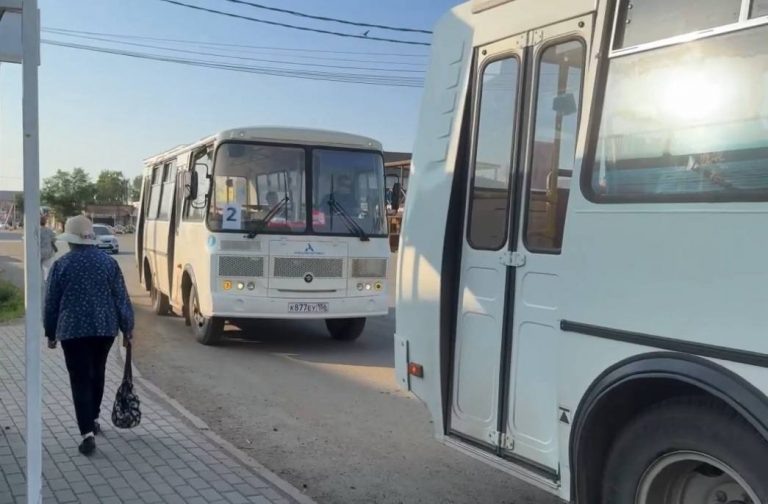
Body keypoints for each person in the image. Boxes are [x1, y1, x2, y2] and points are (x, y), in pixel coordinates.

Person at [44, 215, 134, 456]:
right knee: (97, 373)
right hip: (104, 329)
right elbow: (121, 298)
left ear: (71, 241)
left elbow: (51, 302)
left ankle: (87, 433)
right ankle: (93, 418)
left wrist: (50, 332)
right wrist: (128, 329)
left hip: (72, 332)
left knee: (80, 380)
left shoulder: (61, 265)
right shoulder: (108, 263)